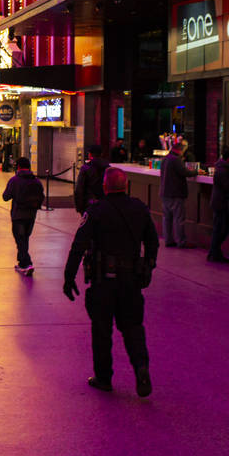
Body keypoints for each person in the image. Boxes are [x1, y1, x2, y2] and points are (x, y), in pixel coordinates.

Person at [63, 167, 158, 397]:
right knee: (133, 328)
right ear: (125, 186)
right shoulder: (140, 209)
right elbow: (153, 243)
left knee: (101, 330)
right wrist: (147, 269)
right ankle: (141, 368)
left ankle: (104, 378)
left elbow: (79, 245)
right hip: (131, 282)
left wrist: (69, 277)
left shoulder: (95, 211)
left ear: (105, 186)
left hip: (102, 280)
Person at [0, 157, 46, 275]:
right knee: (25, 238)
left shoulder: (14, 180)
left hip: (18, 215)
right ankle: (22, 263)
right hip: (31, 215)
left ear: (18, 167)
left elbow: (5, 197)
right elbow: (41, 196)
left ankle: (27, 264)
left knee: (20, 240)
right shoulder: (36, 181)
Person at [159, 141, 198, 247]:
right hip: (175, 193)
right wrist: (196, 171)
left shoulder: (165, 159)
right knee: (178, 219)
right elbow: (185, 172)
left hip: (164, 192)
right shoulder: (176, 160)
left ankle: (168, 240)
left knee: (167, 218)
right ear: (179, 150)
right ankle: (181, 241)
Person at [207, 147, 229, 263]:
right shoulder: (224, 170)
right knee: (221, 229)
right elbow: (226, 187)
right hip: (221, 202)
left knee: (219, 228)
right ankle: (214, 253)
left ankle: (214, 253)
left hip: (218, 202)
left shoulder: (221, 167)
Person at [74, 144, 110, 214]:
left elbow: (79, 188)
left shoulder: (86, 168)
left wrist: (79, 207)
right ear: (101, 154)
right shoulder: (108, 167)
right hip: (105, 203)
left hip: (90, 203)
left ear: (90, 154)